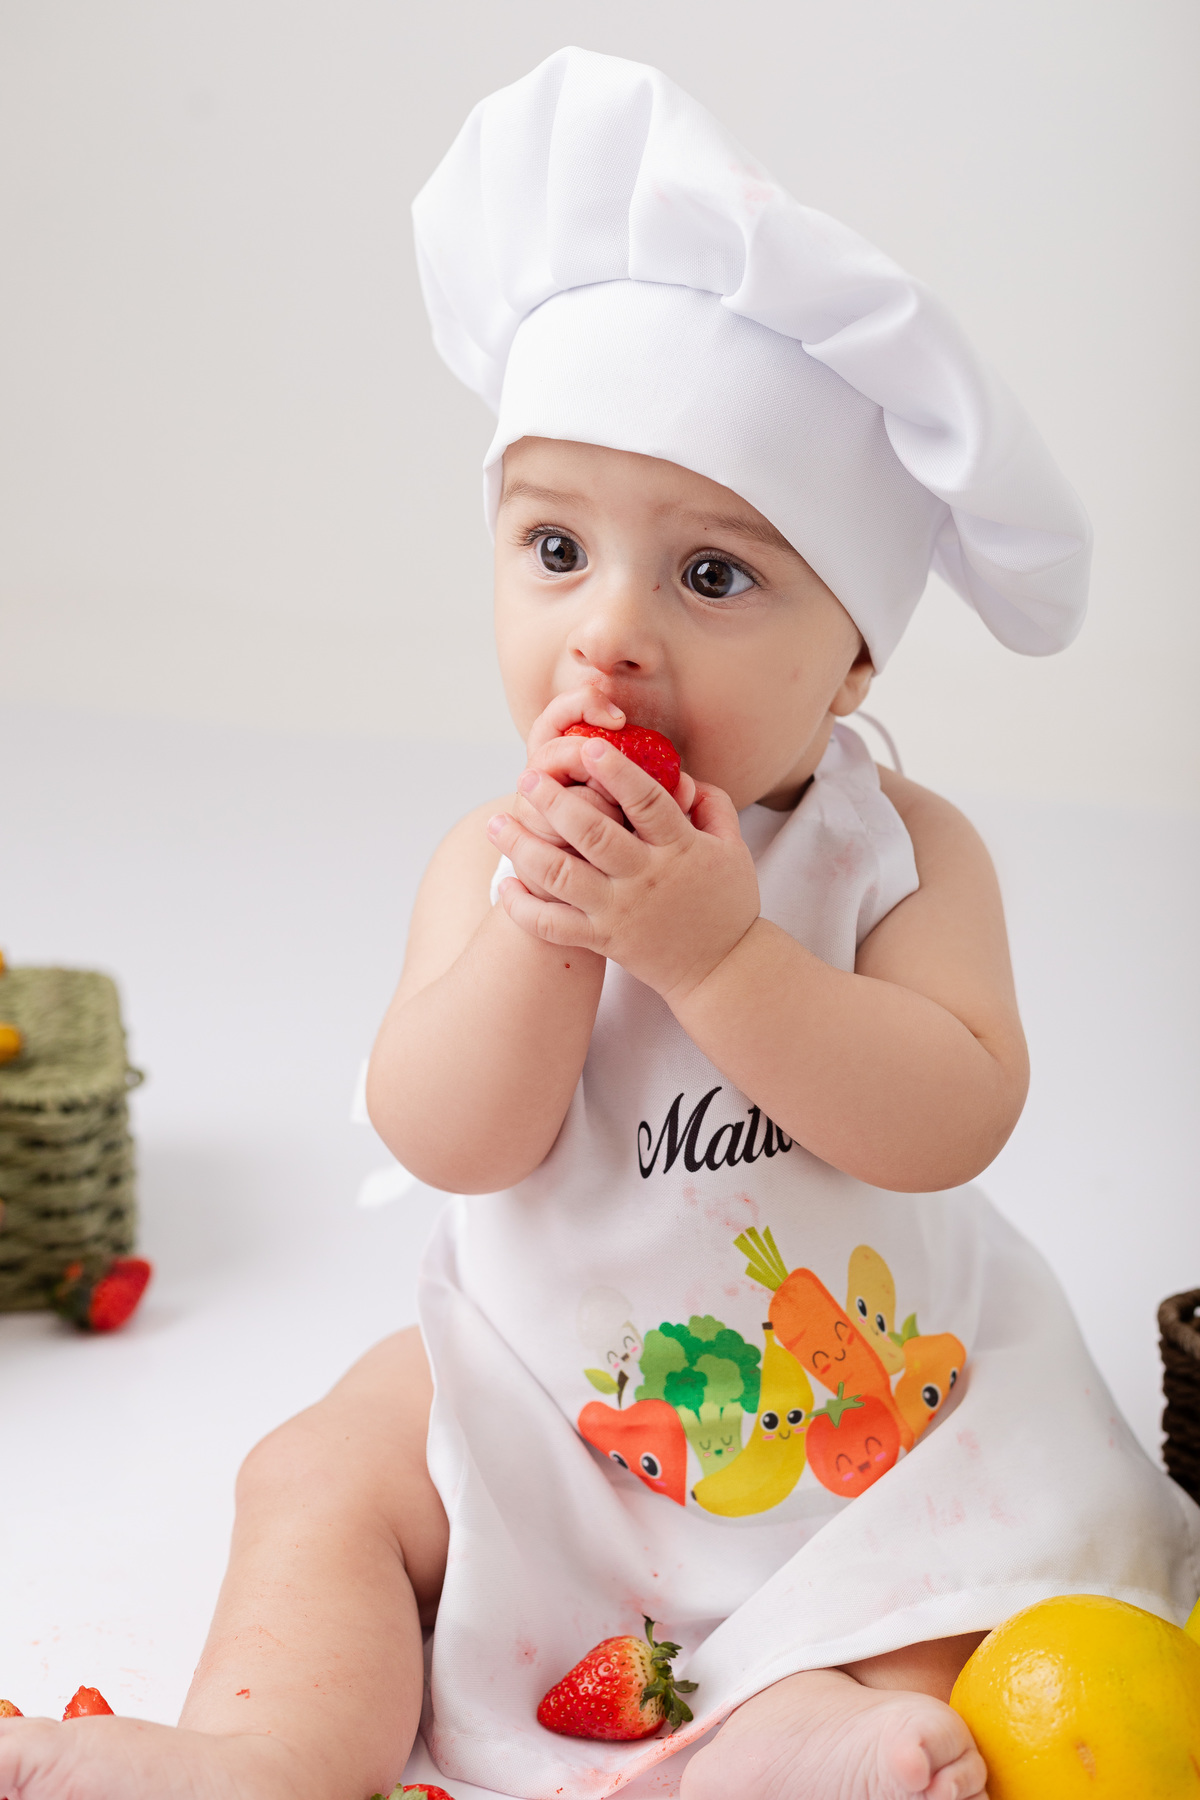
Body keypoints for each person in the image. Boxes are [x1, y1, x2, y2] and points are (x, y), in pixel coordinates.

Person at [4, 46, 1198, 1800]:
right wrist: (548, 937)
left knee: (965, 1585)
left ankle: (804, 1729)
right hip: (552, 1400)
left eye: (712, 575)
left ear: (854, 657)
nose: (607, 631)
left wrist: (721, 955)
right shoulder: (492, 862)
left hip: (875, 1410)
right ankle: (263, 1751)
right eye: (554, 551)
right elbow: (451, 1137)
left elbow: (952, 1117)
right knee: (318, 1476)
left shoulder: (901, 856)